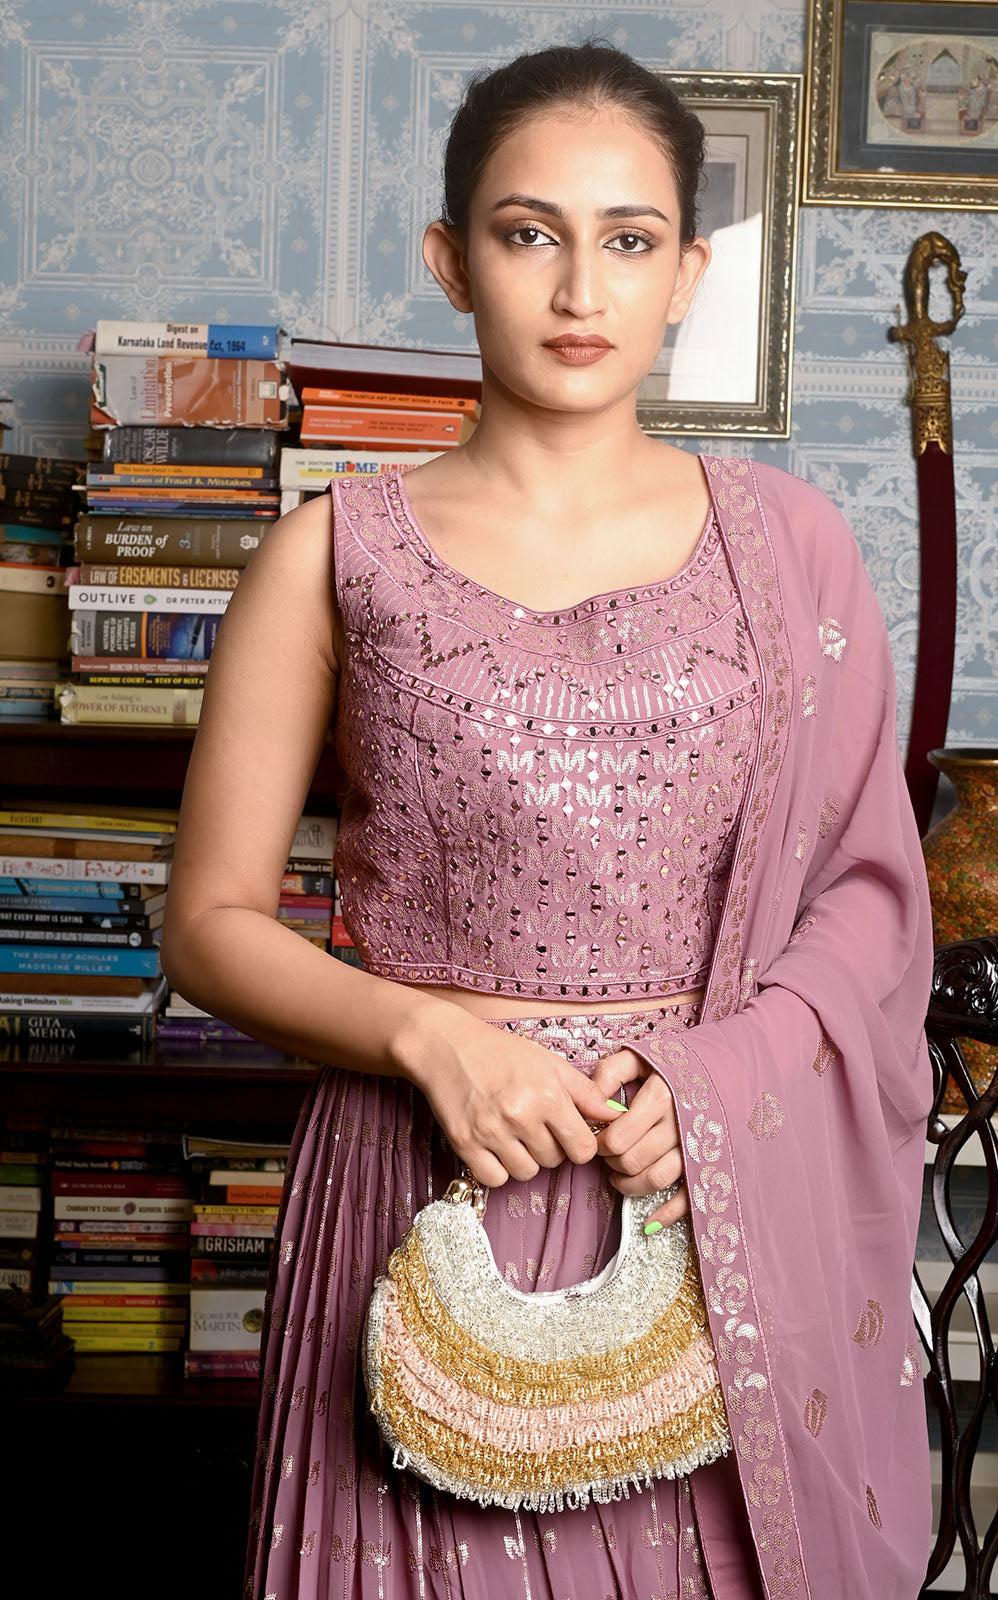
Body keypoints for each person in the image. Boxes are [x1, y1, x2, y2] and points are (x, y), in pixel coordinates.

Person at [161, 40, 934, 1600]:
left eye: (628, 240)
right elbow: (209, 924)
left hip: (698, 1189)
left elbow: (867, 896)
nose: (581, 289)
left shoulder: (793, 553)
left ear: (686, 273)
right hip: (418, 1180)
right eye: (530, 235)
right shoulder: (328, 557)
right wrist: (427, 1038)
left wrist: (718, 1081)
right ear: (453, 261)